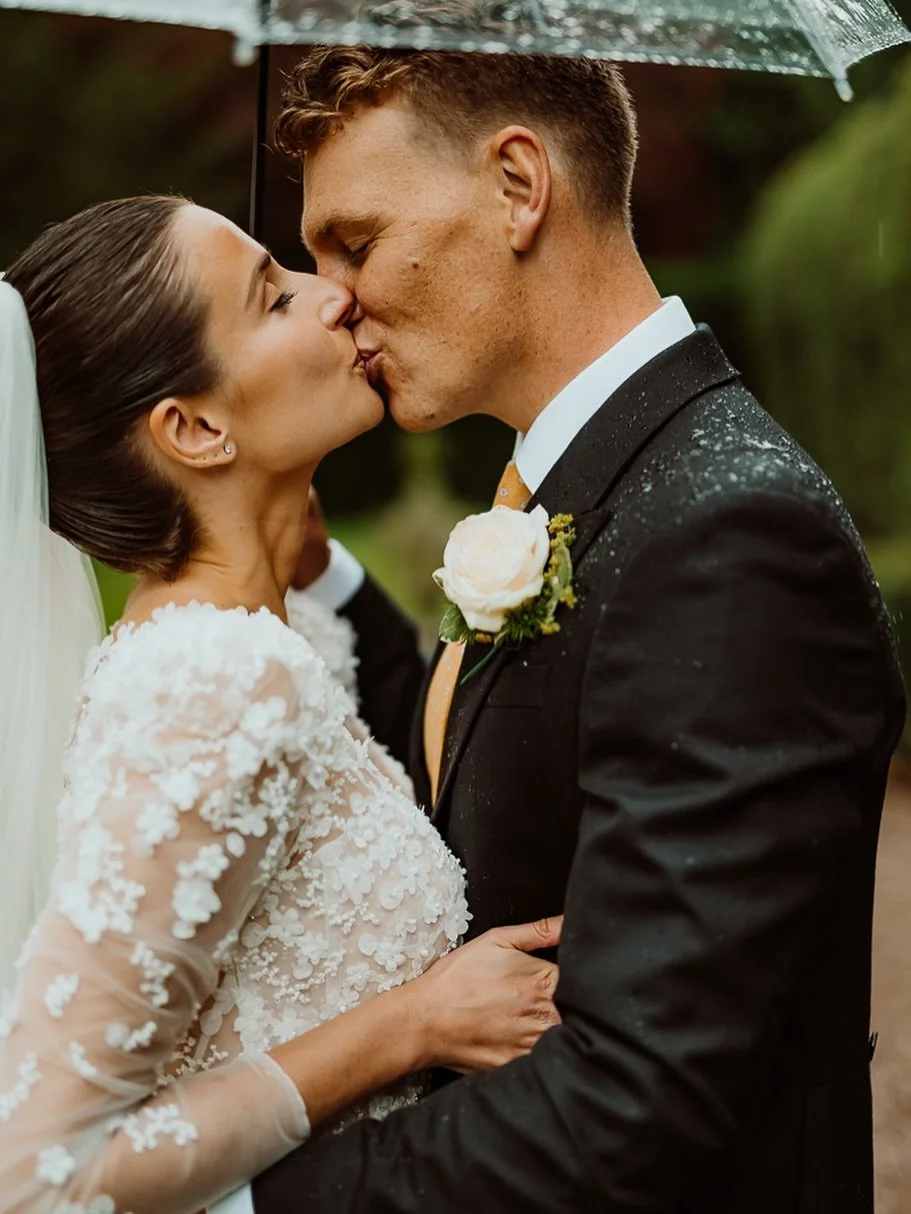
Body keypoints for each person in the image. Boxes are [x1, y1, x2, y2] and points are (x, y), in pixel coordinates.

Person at [224, 47, 907, 1214]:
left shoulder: (729, 533)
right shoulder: (592, 483)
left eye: (356, 240)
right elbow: (501, 760)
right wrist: (312, 564)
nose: (331, 296)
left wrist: (234, 1197)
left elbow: (637, 1092)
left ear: (517, 186)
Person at [0, 197, 564, 1214]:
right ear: (195, 427)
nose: (335, 295)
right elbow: (42, 1173)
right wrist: (410, 1024)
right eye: (273, 297)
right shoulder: (209, 681)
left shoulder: (260, 641)